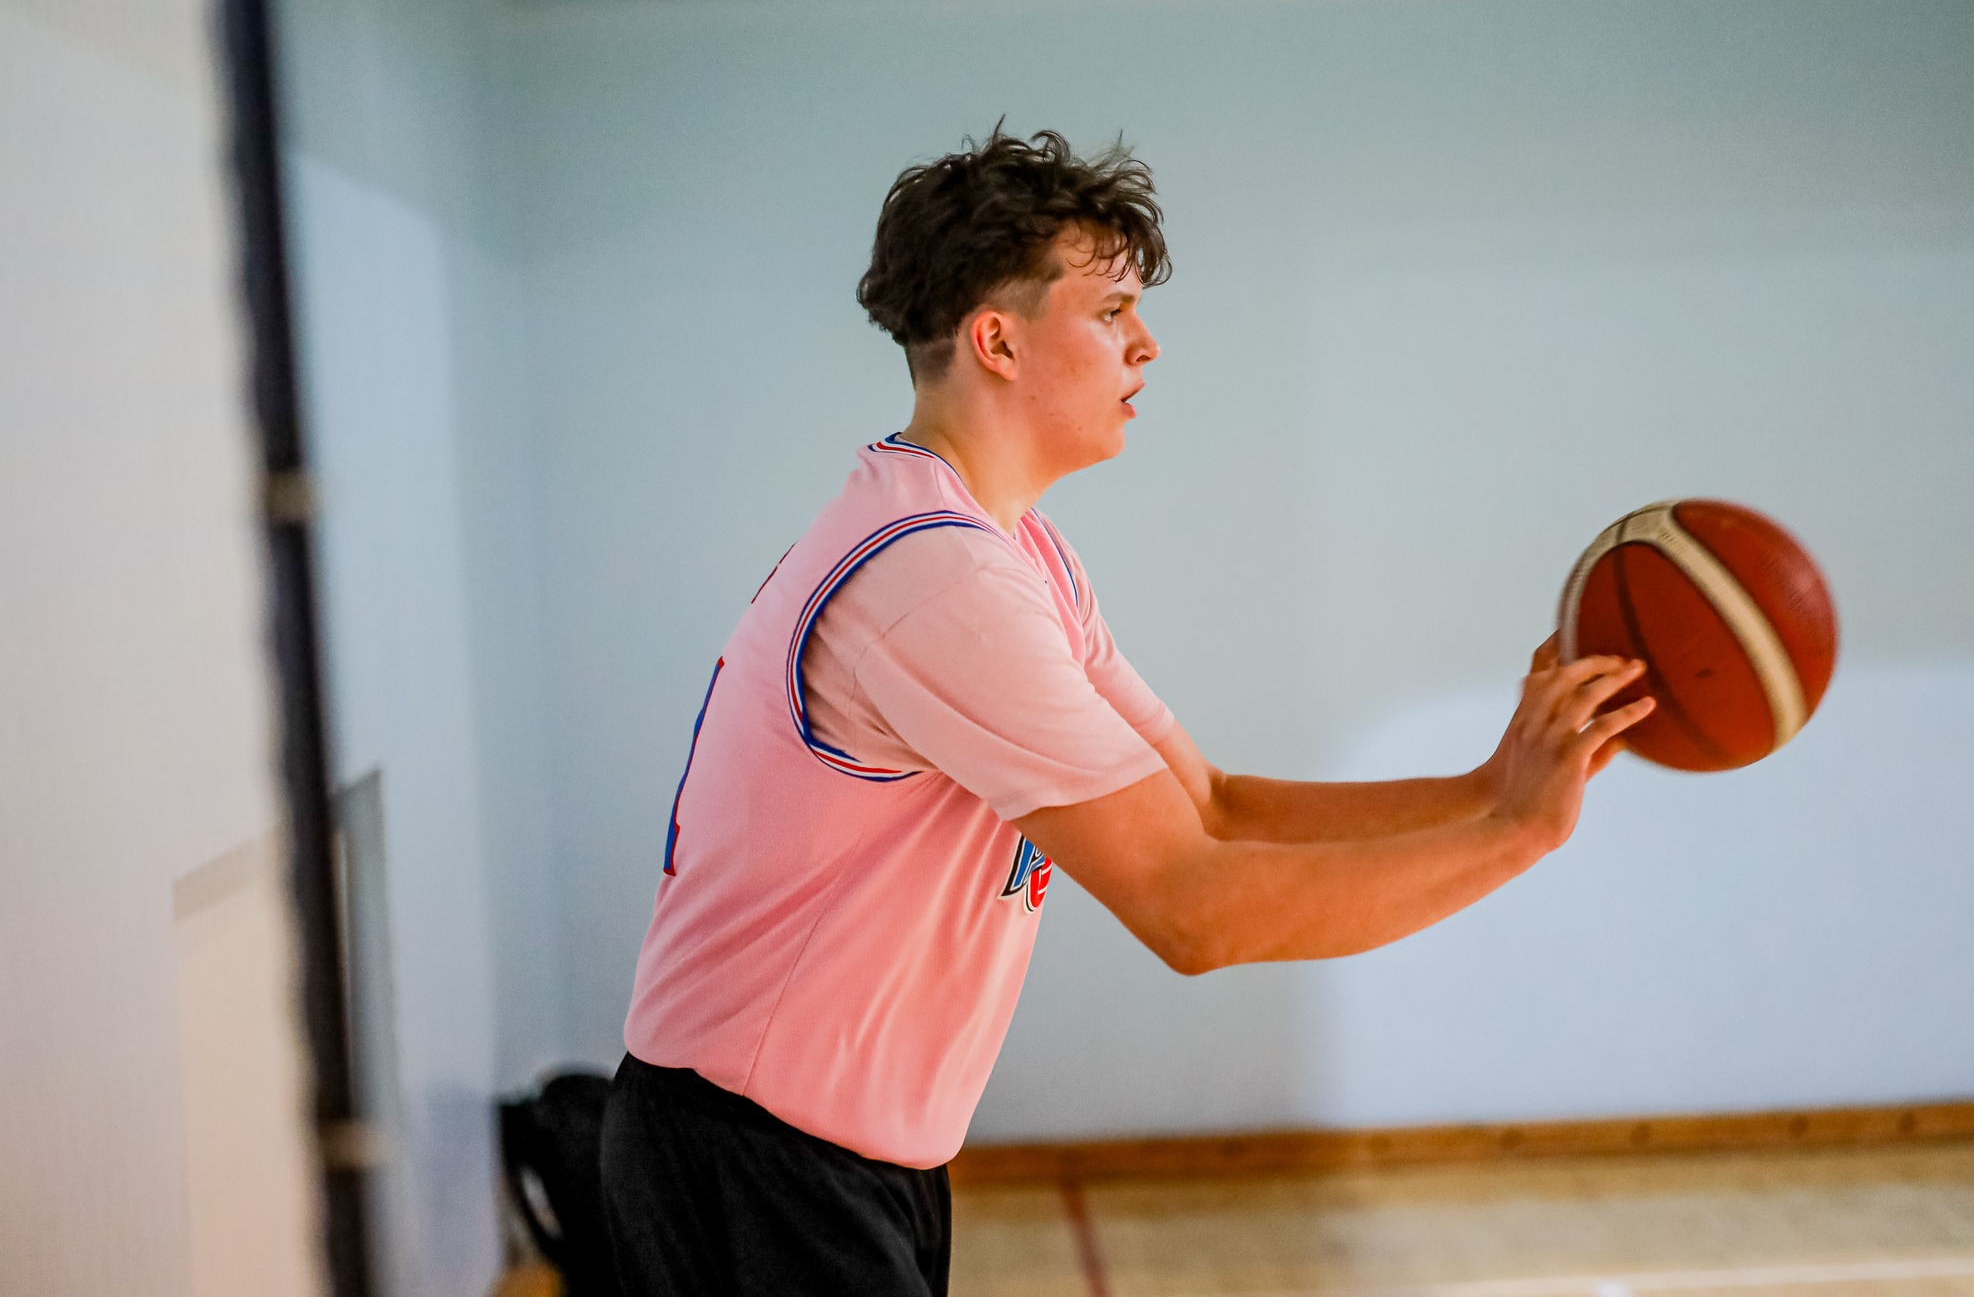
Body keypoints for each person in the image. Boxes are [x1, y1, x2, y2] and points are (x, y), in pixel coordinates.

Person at [599, 128, 1654, 1296]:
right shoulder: (935, 578)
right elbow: (1187, 909)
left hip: (821, 1160)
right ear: (997, 340)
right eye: (1109, 313)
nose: (1144, 345)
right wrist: (1516, 835)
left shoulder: (1015, 553)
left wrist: (1487, 788)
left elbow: (1211, 808)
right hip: (751, 1163)